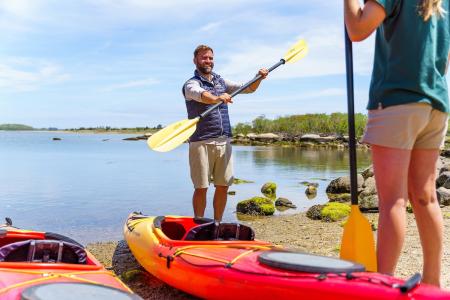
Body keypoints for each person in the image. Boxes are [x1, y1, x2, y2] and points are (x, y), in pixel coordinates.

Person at [344, 0, 449, 287]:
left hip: (396, 101)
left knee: (393, 200)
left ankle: (382, 283)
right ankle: (432, 284)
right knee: (425, 197)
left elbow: (357, 28)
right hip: (436, 103)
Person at [183, 45, 268, 224]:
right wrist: (217, 98)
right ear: (195, 61)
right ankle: (199, 223)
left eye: (210, 58)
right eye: (204, 58)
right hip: (201, 142)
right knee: (201, 187)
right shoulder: (191, 83)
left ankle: (217, 224)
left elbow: (248, 88)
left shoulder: (221, 82)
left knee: (222, 186)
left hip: (224, 141)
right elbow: (199, 94)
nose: (208, 61)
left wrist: (258, 78)